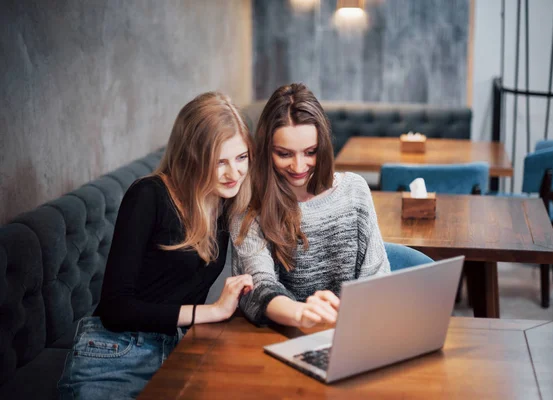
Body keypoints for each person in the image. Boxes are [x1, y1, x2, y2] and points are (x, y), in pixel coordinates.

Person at [57, 92, 254, 400]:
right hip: (117, 352)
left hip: (179, 350)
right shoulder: (148, 195)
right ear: (191, 157)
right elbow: (115, 310)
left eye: (241, 157)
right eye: (219, 162)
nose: (234, 173)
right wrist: (212, 312)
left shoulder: (226, 199)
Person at [231, 83, 390, 329]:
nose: (298, 166)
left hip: (356, 329)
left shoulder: (354, 190)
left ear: (323, 146)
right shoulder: (250, 206)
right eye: (284, 154)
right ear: (266, 150)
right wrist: (302, 313)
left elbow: (377, 277)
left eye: (310, 152)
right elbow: (258, 287)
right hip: (284, 334)